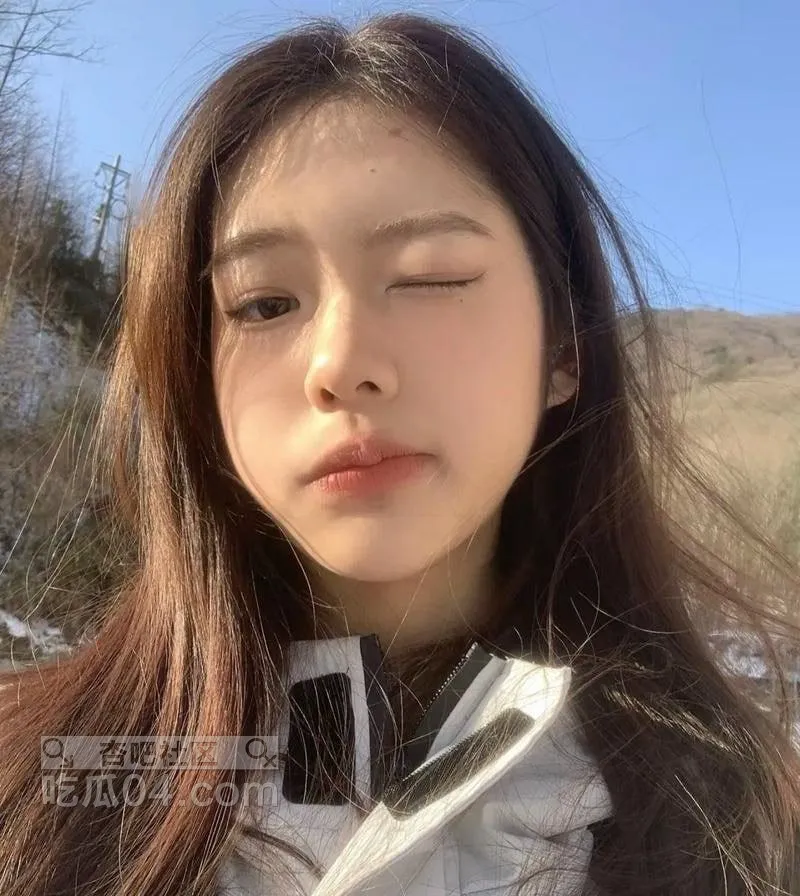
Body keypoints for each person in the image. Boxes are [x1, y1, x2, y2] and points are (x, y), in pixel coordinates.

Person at [0, 11, 798, 896]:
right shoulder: (32, 787)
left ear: (565, 345)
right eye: (263, 305)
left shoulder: (745, 828)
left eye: (429, 277)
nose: (340, 364)